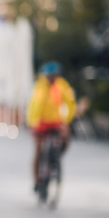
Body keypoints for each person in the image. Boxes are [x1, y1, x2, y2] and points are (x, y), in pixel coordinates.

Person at [26, 61, 76, 192]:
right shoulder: (39, 86)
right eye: (50, 76)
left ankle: (55, 158)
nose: (52, 78)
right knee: (38, 150)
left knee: (66, 137)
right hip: (40, 122)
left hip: (56, 121)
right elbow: (33, 106)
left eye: (55, 75)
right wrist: (32, 123)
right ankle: (37, 181)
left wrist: (67, 120)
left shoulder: (62, 85)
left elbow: (70, 103)